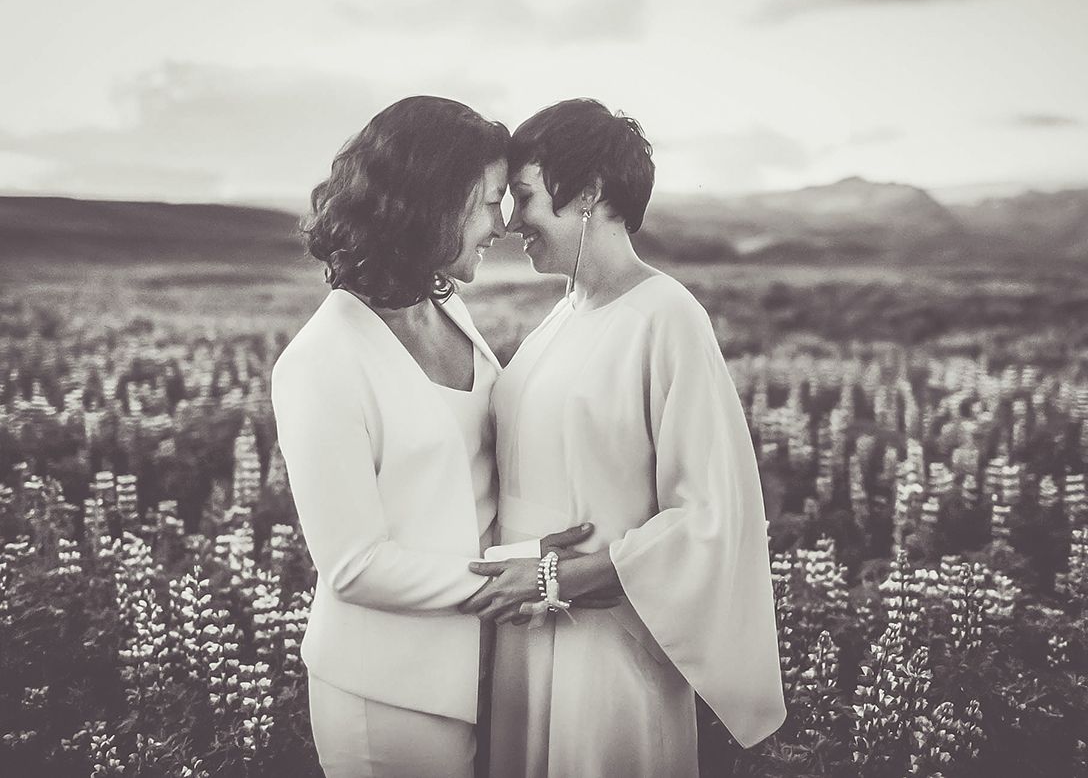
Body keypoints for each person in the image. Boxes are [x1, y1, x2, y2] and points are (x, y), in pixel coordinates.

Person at [270, 96, 598, 778]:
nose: (502, 224)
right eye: (489, 203)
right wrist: (514, 581)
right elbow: (354, 565)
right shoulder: (320, 361)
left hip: (480, 668)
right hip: (388, 694)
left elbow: (466, 484)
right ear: (430, 203)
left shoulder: (443, 304)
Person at [462, 99, 787, 778]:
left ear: (588, 193)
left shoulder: (667, 317)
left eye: (525, 195)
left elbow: (710, 517)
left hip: (607, 650)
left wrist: (556, 577)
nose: (511, 221)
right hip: (525, 635)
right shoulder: (563, 314)